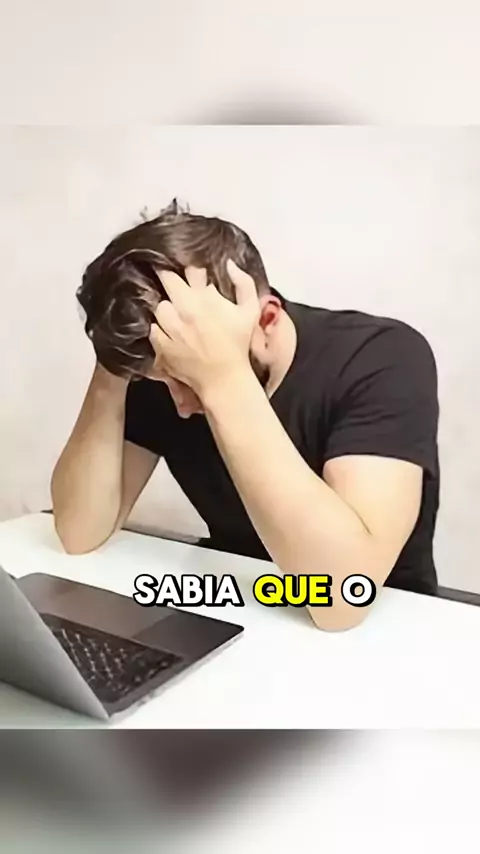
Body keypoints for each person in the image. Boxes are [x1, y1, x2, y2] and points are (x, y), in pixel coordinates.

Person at [51, 200, 440, 631]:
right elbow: (79, 533)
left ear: (267, 319)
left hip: (390, 629)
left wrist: (220, 380)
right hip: (240, 604)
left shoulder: (382, 357)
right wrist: (114, 364)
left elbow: (342, 600)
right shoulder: (165, 365)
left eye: (189, 382)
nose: (180, 405)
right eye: (162, 381)